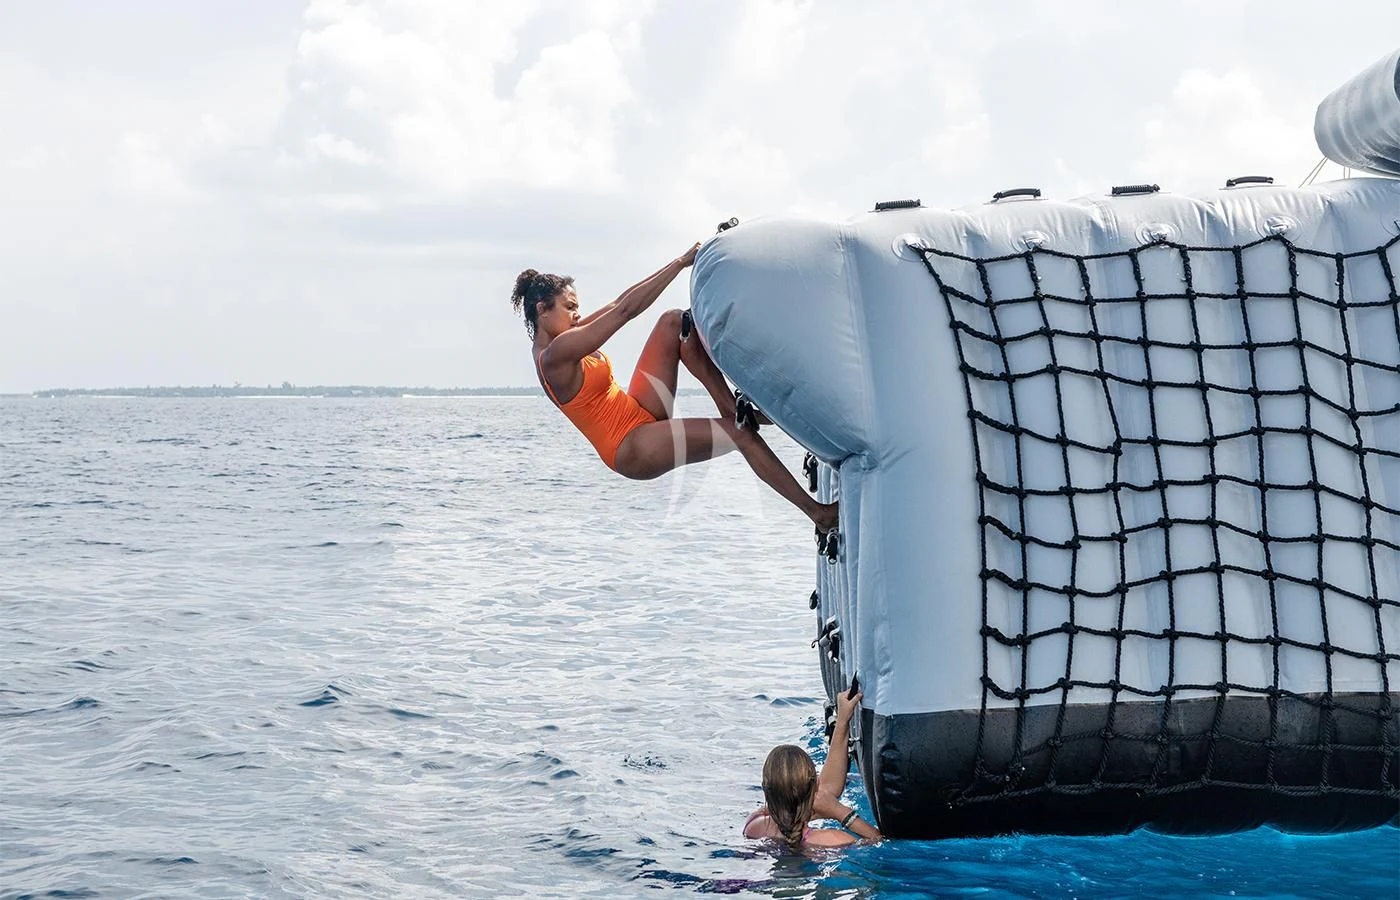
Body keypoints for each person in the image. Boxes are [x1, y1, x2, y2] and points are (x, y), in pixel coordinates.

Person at [511, 244, 837, 531]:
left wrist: (675, 263)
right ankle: (818, 514)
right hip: (631, 447)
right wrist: (680, 263)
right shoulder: (553, 357)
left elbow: (617, 302)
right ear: (542, 310)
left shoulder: (565, 337)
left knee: (673, 322)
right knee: (740, 435)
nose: (577, 313)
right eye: (569, 307)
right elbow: (626, 312)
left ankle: (729, 408)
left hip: (641, 411)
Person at [743, 687, 882, 851]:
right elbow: (879, 842)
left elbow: (779, 806)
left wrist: (798, 809)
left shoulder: (753, 827)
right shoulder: (834, 840)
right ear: (816, 786)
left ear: (766, 790)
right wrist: (840, 812)